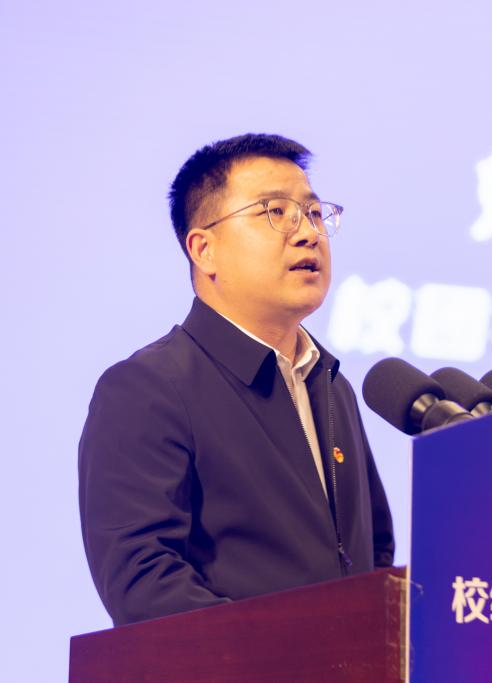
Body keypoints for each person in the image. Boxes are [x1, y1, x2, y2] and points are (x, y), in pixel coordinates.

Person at [78, 133, 395, 626]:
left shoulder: (331, 386)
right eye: (275, 212)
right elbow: (143, 580)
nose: (308, 233)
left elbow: (373, 550)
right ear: (204, 250)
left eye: (314, 213)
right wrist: (288, 655)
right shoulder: (147, 388)